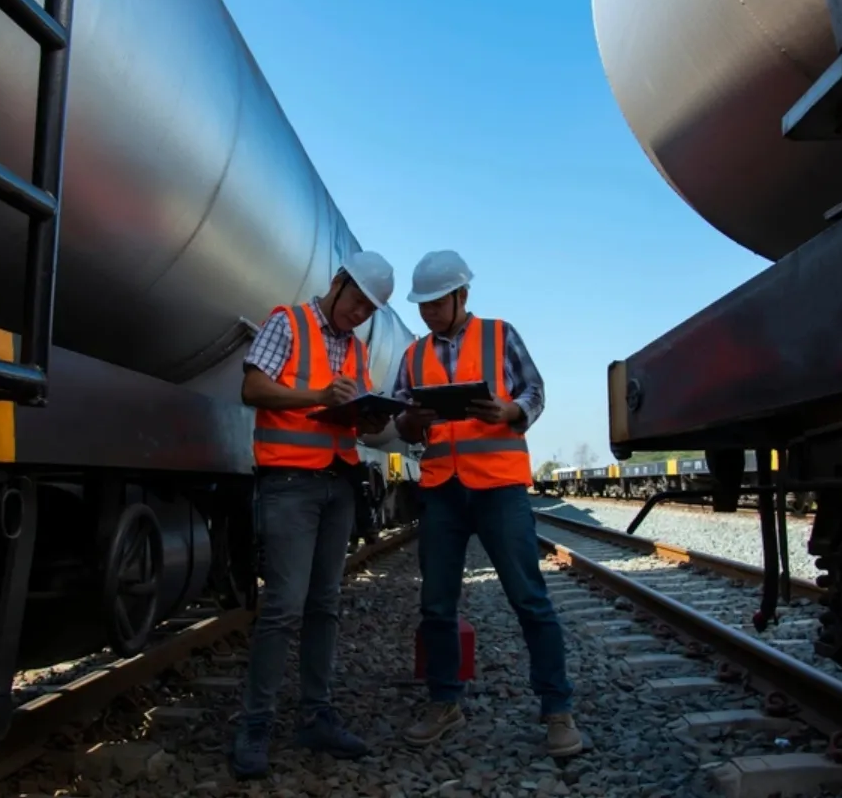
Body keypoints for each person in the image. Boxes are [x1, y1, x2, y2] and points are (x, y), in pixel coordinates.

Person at [392, 250, 584, 758]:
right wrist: (412, 419)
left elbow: (535, 390)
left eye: (436, 302)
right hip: (441, 491)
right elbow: (401, 422)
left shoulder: (500, 335)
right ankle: (444, 702)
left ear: (462, 296)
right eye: (422, 305)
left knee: (529, 599)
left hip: (499, 488)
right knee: (436, 604)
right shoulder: (413, 356)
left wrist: (510, 409)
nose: (428, 312)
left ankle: (557, 710)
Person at [230, 250, 396, 779]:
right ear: (339, 282)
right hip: (289, 482)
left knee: (325, 604)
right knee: (284, 605)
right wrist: (318, 397)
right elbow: (252, 387)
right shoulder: (289, 322)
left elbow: (355, 422)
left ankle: (316, 716)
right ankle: (255, 725)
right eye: (357, 302)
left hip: (338, 482)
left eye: (369, 311)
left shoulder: (356, 350)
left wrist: (367, 416)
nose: (358, 315)